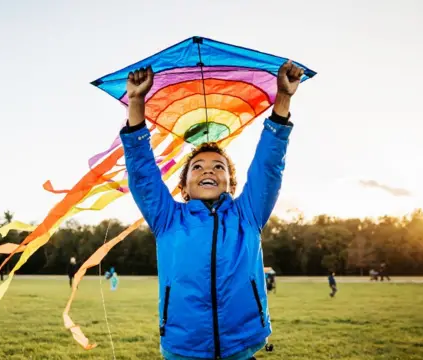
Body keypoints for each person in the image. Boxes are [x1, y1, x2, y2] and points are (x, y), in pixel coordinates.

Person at [120, 60, 304, 360]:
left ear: (231, 185)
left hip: (242, 346)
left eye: (219, 167)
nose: (209, 171)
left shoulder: (248, 215)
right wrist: (137, 102)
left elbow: (268, 166)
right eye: (198, 167)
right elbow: (142, 172)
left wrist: (283, 98)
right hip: (183, 348)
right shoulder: (168, 219)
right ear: (184, 185)